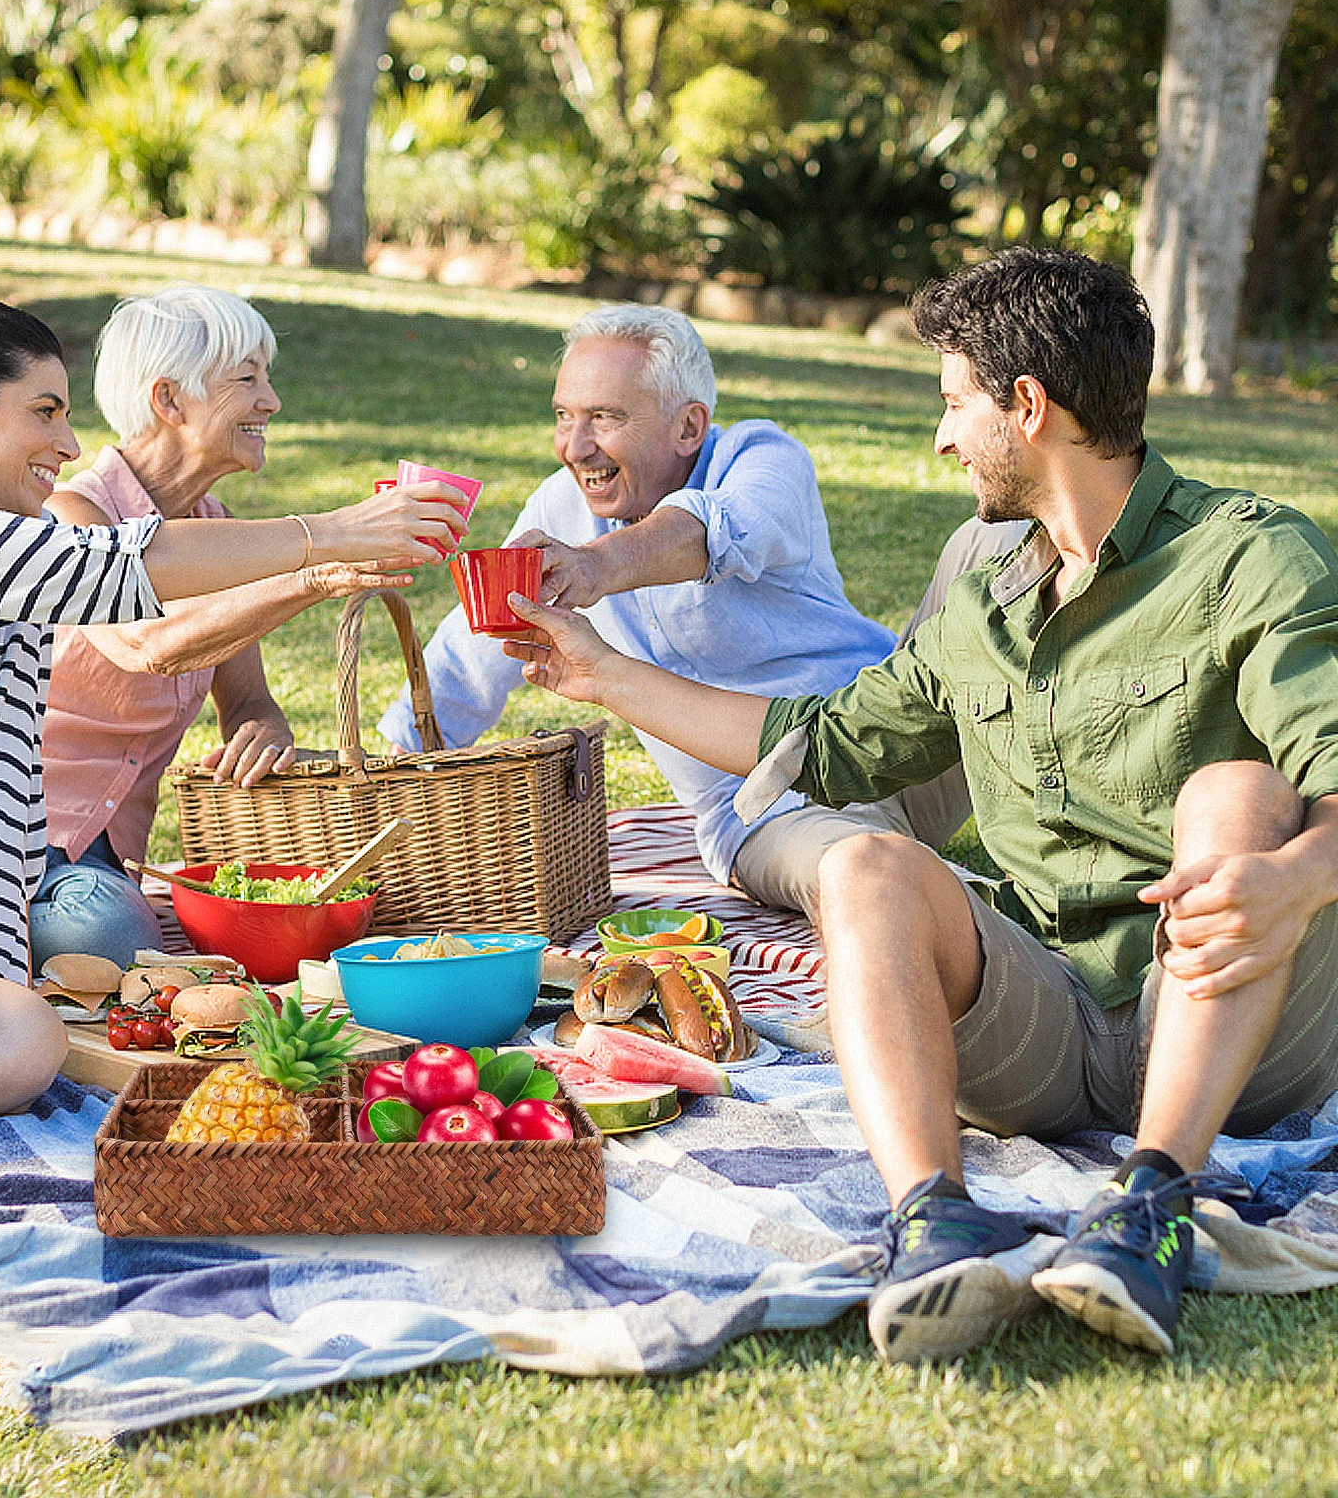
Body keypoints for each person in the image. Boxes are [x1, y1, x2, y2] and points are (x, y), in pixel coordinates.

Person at [504, 249, 1338, 1365]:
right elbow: (827, 743)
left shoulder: (1252, 558)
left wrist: (1292, 875)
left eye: (954, 404)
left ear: (1027, 409)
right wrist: (599, 672)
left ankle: (1149, 1203)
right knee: (861, 865)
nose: (942, 436)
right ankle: (934, 1224)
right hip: (1052, 1023)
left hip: (1241, 1020)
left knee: (1235, 792)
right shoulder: (987, 586)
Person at [0, 298, 466, 1128]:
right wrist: (333, 533)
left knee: (21, 1040)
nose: (69, 444)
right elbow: (115, 569)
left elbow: (1, 821)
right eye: (44, 412)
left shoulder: (10, 596)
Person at [378, 303, 1022, 916]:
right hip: (767, 810)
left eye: (604, 418)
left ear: (689, 426)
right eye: (563, 416)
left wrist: (595, 564)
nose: (575, 447)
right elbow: (467, 660)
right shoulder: (558, 510)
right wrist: (378, 778)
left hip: (906, 734)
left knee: (996, 538)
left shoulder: (764, 459)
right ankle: (1004, 924)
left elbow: (713, 532)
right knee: (868, 880)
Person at [30, 286, 407, 972]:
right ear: (170, 401)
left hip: (113, 855)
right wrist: (317, 570)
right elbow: (146, 643)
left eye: (267, 376)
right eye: (247, 379)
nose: (272, 401)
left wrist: (263, 727)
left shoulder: (212, 522)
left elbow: (247, 699)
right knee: (110, 944)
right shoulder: (72, 514)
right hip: (26, 840)